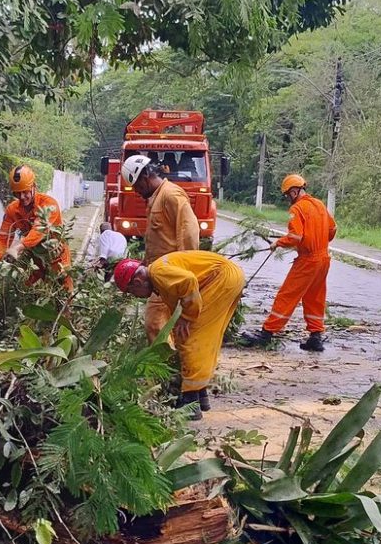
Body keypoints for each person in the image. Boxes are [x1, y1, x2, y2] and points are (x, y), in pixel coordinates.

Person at [113, 251, 245, 420]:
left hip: (223, 279)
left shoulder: (159, 273)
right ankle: (200, 395)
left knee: (190, 338)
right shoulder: (158, 277)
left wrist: (187, 317)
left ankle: (191, 402)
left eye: (132, 292)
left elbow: (189, 281)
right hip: (226, 278)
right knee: (204, 338)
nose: (135, 297)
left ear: (137, 282)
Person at [239, 174, 336, 353]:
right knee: (315, 297)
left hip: (308, 260)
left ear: (294, 191)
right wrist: (317, 239)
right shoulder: (319, 205)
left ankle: (266, 333)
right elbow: (332, 230)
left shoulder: (297, 209)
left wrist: (278, 243)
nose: (287, 199)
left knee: (287, 295)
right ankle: (316, 337)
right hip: (324, 259)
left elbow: (295, 237)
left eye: (287, 195)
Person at [121, 153, 200, 343]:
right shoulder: (156, 198)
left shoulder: (171, 195)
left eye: (137, 186)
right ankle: (170, 362)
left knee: (156, 323)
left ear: (145, 177)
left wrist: (185, 270)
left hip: (172, 274)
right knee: (160, 324)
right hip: (159, 275)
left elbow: (188, 231)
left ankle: (166, 364)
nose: (137, 191)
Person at [0, 165, 72, 286]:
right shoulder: (12, 210)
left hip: (56, 257)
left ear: (34, 186)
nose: (22, 197)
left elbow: (38, 230)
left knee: (63, 290)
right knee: (27, 290)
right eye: (17, 193)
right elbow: (2, 238)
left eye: (25, 192)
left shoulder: (49, 204)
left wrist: (17, 248)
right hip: (34, 260)